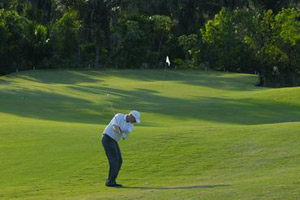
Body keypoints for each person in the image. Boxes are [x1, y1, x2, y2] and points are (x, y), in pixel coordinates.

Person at [101, 110, 141, 187]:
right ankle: (110, 181)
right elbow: (114, 127)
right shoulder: (119, 116)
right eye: (134, 120)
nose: (135, 122)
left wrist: (121, 130)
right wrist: (119, 130)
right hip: (107, 138)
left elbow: (125, 134)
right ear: (131, 116)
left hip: (114, 140)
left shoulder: (131, 126)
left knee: (119, 160)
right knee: (114, 160)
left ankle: (112, 180)